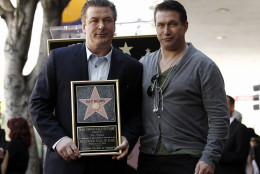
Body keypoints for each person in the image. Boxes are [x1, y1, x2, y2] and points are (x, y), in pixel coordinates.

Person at [29, 0, 142, 174]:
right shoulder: (58, 59)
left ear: (114, 25)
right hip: (65, 165)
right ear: (83, 26)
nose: (101, 26)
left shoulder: (132, 67)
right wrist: (58, 140)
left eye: (107, 20)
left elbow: (136, 113)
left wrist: (128, 137)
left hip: (110, 166)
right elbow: (38, 105)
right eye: (94, 20)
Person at [137, 1, 229, 174]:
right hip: (148, 158)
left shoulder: (204, 66)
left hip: (189, 159)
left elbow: (219, 119)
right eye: (161, 25)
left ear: (185, 26)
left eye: (172, 24)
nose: (166, 31)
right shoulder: (144, 63)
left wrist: (209, 157)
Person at [215, 95, 250, 174]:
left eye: (224, 103)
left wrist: (214, 154)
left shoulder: (240, 128)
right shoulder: (214, 129)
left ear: (232, 107)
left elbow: (240, 156)